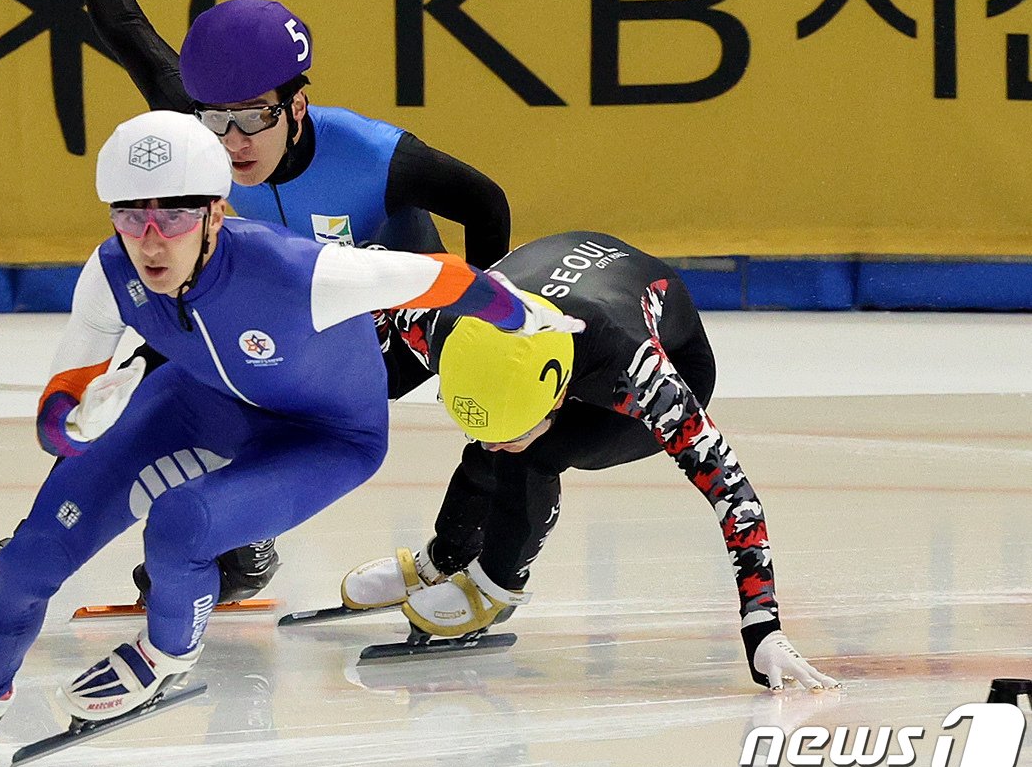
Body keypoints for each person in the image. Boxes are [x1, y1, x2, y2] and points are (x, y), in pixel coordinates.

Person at [0, 111, 581, 744]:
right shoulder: (111, 270)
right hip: (202, 399)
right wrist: (77, 423)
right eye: (132, 215)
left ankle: (167, 655)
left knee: (181, 524)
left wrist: (526, 315)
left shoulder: (300, 272)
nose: (151, 240)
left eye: (175, 216)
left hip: (324, 436)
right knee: (34, 549)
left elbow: (441, 276)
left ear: (216, 212)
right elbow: (60, 408)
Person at [0, 0, 514, 603]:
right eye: (218, 121)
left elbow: (488, 202)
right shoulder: (206, 123)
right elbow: (126, 30)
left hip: (397, 317)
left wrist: (480, 325)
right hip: (284, 301)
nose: (233, 143)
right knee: (147, 369)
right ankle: (47, 537)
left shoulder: (377, 158)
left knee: (270, 387)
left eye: (253, 120)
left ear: (296, 109)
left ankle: (394, 552)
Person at [340, 231, 840, 691]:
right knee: (499, 452)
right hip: (557, 302)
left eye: (507, 428)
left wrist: (763, 626)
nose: (491, 442)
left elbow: (732, 492)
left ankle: (496, 583)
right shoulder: (440, 319)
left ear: (558, 397)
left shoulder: (644, 379)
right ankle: (444, 556)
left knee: (532, 455)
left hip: (666, 350)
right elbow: (376, 268)